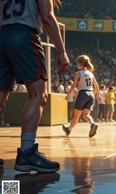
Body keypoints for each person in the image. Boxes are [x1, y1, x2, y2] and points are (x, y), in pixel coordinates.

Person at [0, 0, 69, 172]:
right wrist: (61, 50)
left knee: (0, 96)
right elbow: (47, 16)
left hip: (2, 35)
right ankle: (26, 153)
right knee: (38, 95)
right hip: (24, 35)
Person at [62, 55, 101, 138]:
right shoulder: (91, 73)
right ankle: (92, 124)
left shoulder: (78, 73)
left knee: (76, 116)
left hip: (83, 94)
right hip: (91, 94)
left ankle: (68, 130)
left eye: (77, 63)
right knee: (85, 114)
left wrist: (68, 94)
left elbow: (73, 86)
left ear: (80, 63)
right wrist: (99, 96)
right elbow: (96, 86)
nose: (76, 65)